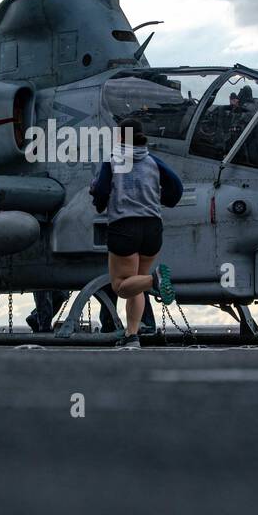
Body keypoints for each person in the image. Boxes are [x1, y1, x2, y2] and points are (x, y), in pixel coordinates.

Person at [89, 117, 182, 349]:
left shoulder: (113, 161)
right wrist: (164, 199)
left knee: (120, 286)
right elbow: (177, 187)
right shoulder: (153, 161)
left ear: (121, 137)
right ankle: (132, 336)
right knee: (135, 284)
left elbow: (100, 190)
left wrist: (99, 202)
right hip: (152, 227)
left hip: (125, 226)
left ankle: (155, 279)